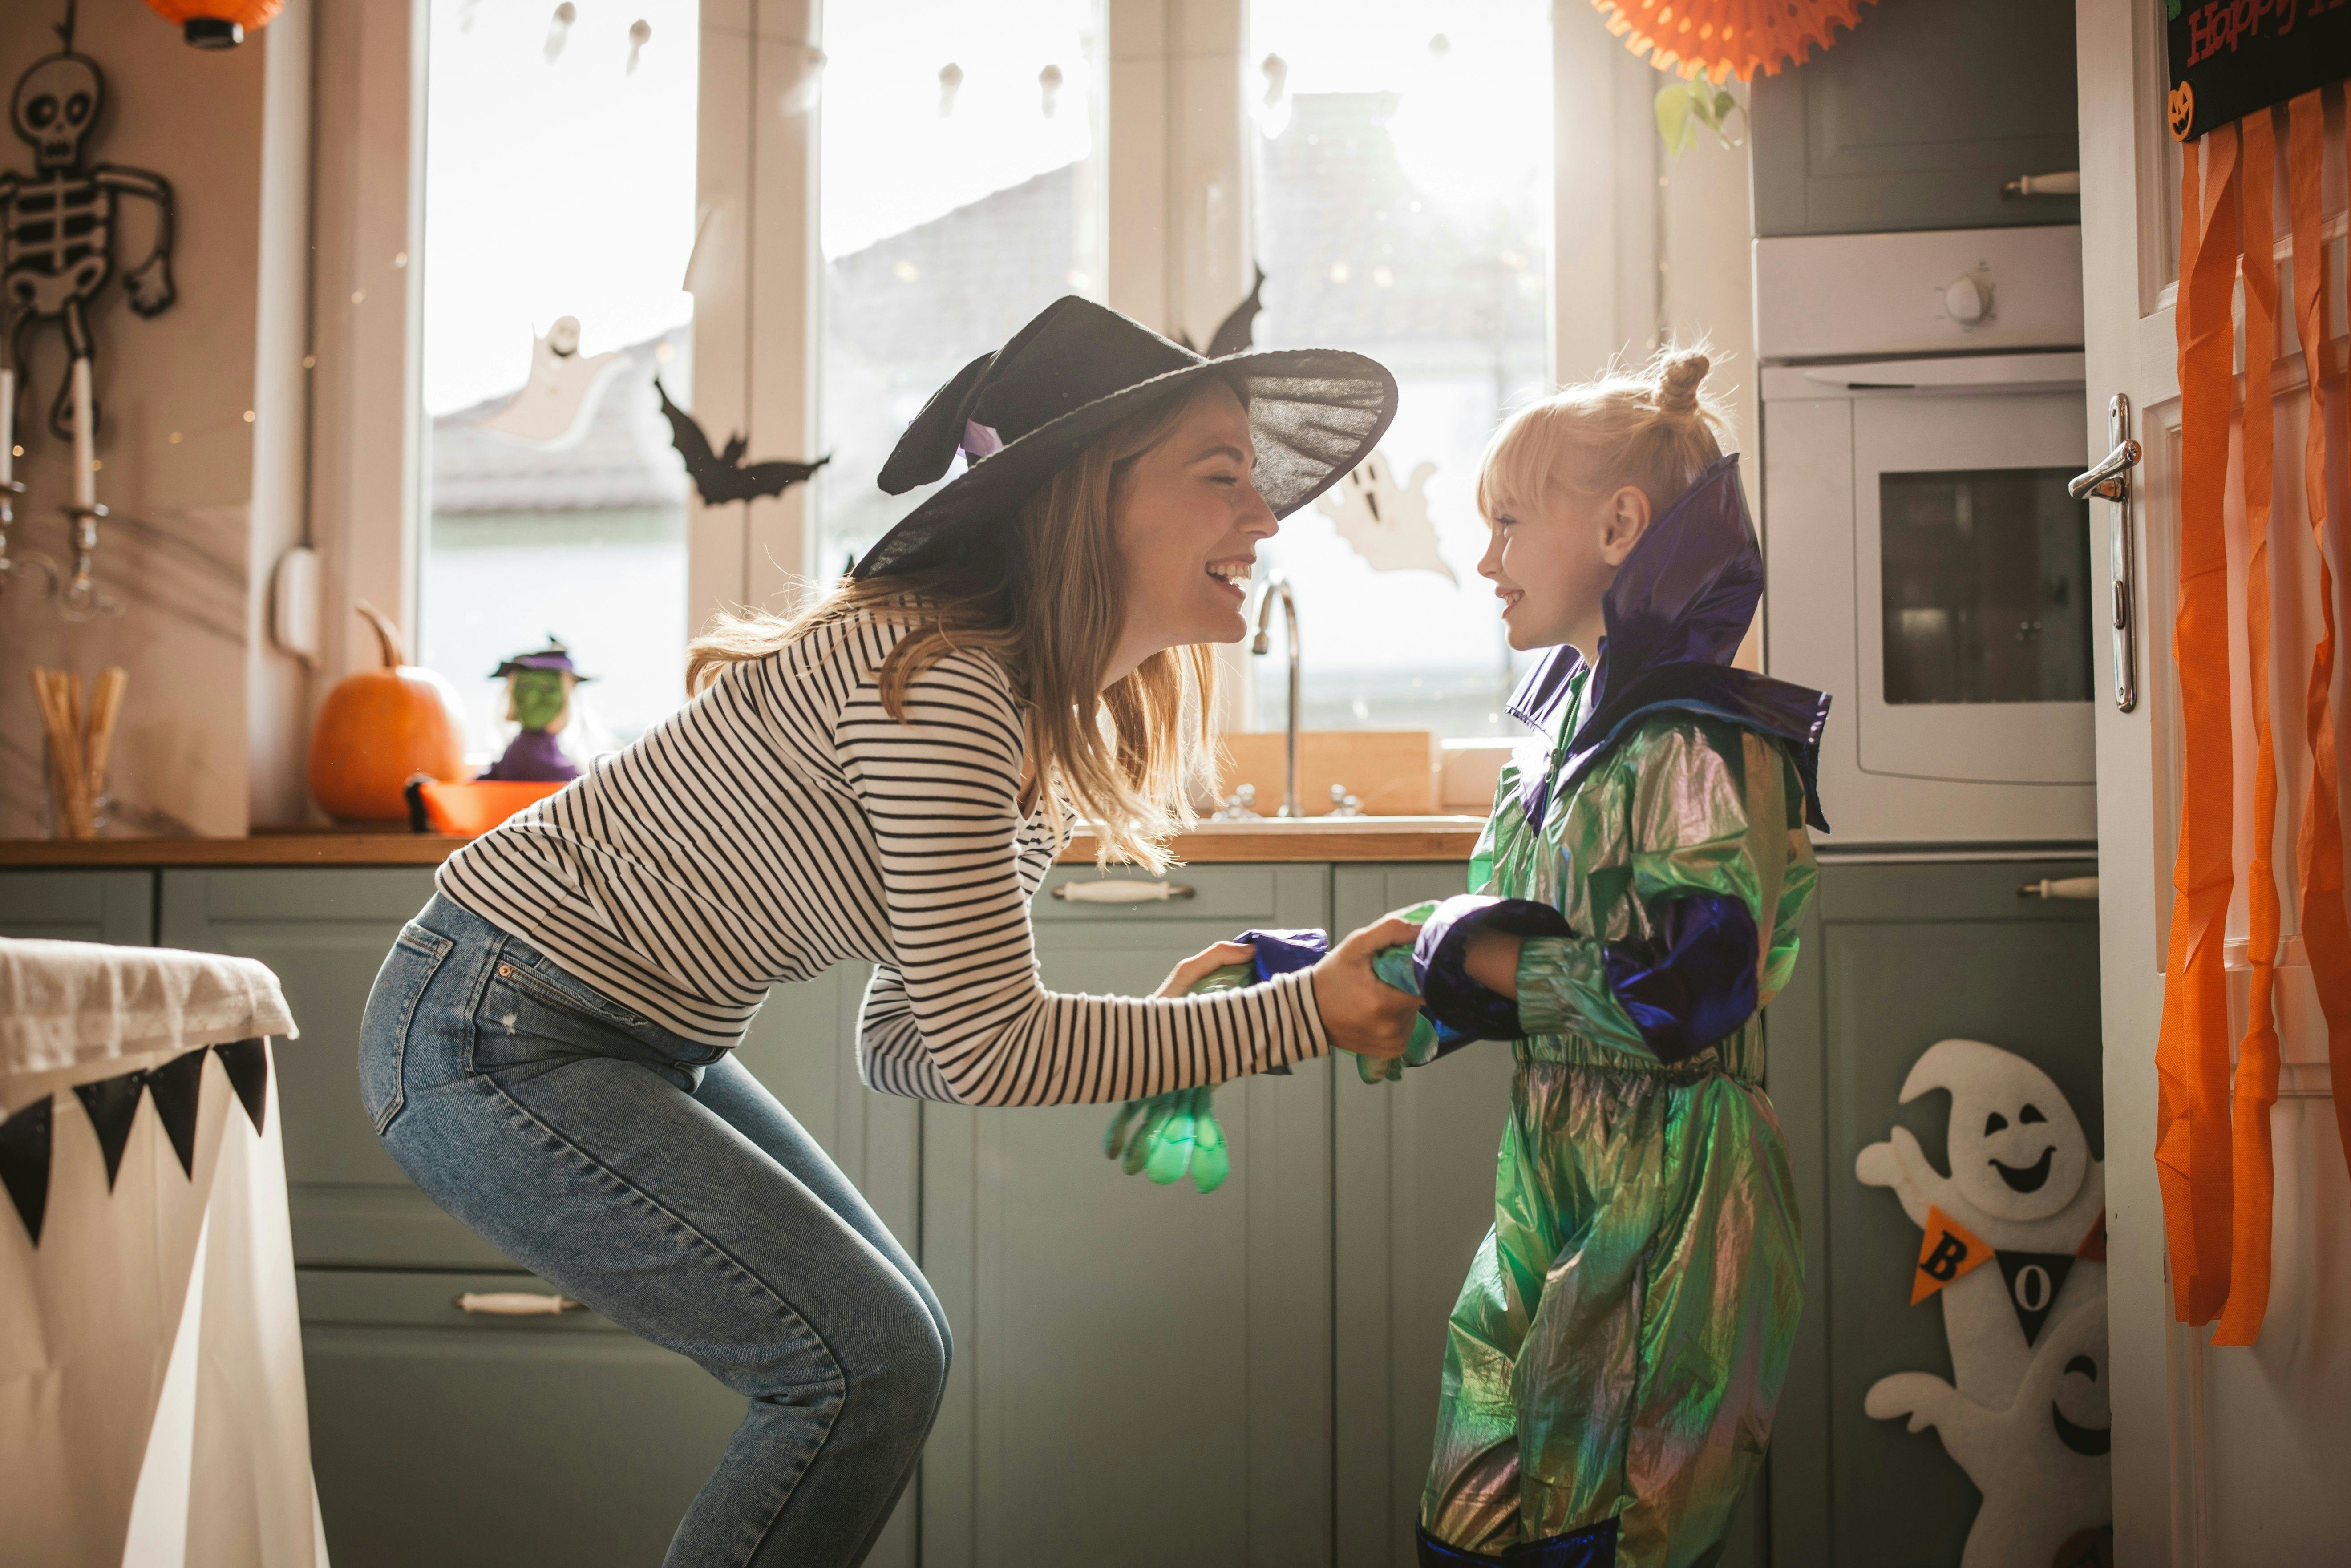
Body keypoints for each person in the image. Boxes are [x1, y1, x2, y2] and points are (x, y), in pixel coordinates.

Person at [354, 296, 1425, 1568]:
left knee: (892, 1343)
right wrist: (1292, 1014)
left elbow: (913, 1040)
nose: (1266, 518)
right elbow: (981, 1048)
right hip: (494, 1028)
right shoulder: (946, 684)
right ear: (1088, 497)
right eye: (1221, 477)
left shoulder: (1017, 709)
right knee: (865, 1364)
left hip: (603, 1029)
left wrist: (1191, 1023)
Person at [1404, 347, 1831, 1568]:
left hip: (1675, 1195)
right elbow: (1483, 959)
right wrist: (1318, 977)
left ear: (1617, 524)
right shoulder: (1550, 746)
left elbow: (1682, 996)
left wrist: (1460, 966)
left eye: (1504, 522)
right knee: (1471, 1524)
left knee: (1601, 1537)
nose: (1484, 560)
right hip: (1551, 1174)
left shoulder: (1703, 739)